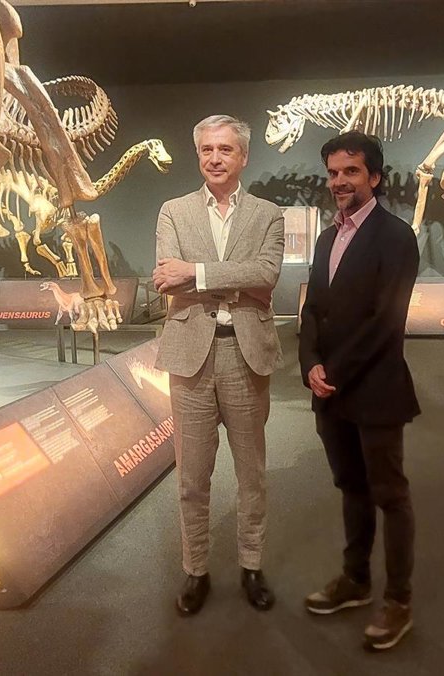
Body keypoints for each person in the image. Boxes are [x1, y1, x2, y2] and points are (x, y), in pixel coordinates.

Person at [153, 114, 285, 616]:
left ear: (243, 156)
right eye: (207, 149)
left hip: (245, 353)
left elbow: (267, 275)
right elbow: (166, 279)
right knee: (192, 477)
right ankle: (196, 569)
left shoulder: (268, 214)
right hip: (190, 356)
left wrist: (197, 272)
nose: (215, 158)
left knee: (252, 473)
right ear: (198, 154)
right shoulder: (173, 211)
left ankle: (252, 565)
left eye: (225, 149)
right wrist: (233, 279)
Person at [298, 131, 420, 651]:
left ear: (374, 176)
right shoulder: (327, 238)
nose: (339, 181)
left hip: (374, 389)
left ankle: (398, 601)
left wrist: (335, 371)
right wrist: (310, 363)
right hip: (331, 390)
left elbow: (386, 321)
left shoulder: (396, 237)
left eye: (350, 171)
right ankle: (355, 579)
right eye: (333, 173)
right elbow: (312, 308)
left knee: (389, 493)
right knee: (351, 486)